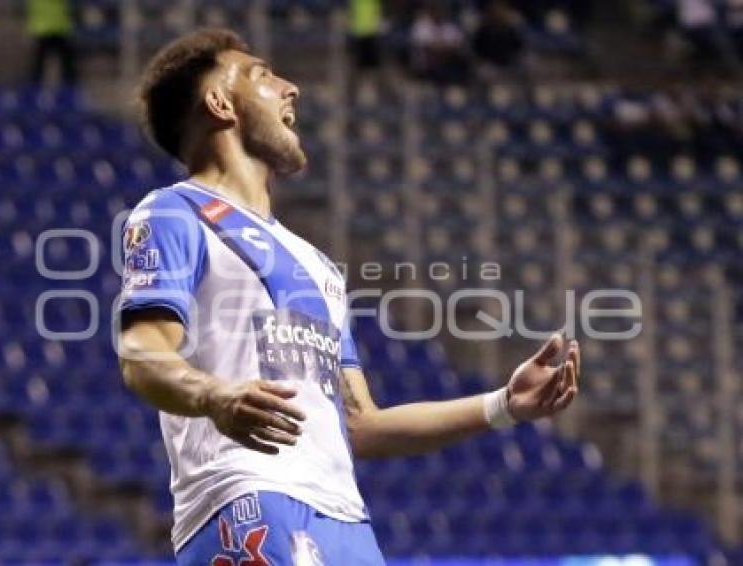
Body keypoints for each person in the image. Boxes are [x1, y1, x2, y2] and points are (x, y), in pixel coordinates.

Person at [117, 28, 581, 565]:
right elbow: (142, 352)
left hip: (346, 521)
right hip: (248, 498)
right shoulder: (175, 213)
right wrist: (213, 397)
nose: (291, 88)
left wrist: (503, 406)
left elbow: (360, 423)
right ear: (220, 104)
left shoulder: (317, 266)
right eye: (262, 75)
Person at [27, 0, 77, 86]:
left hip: (59, 28)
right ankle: (34, 89)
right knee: (39, 65)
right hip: (43, 29)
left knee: (67, 64)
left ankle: (70, 88)